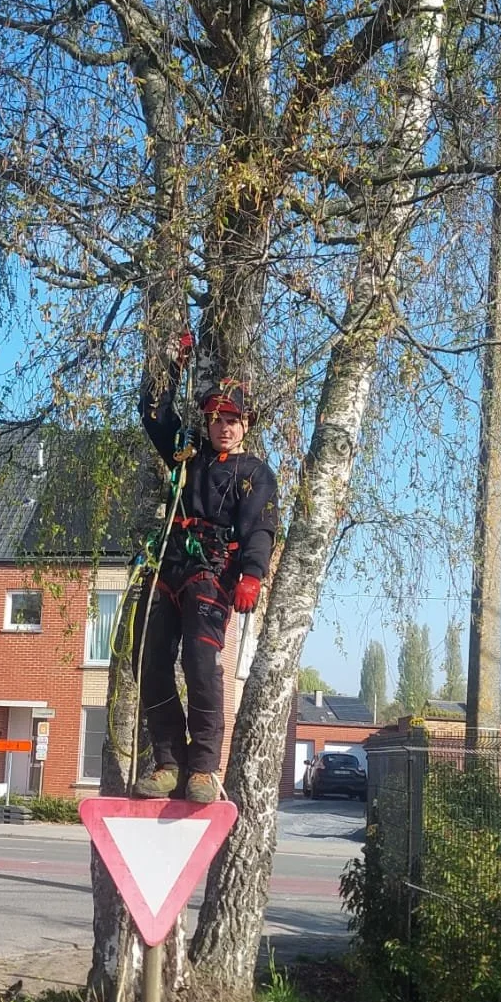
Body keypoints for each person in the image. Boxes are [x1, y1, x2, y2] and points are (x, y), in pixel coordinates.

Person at [134, 343, 279, 803]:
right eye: (217, 418)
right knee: (148, 659)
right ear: (207, 421)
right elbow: (154, 413)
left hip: (212, 574)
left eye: (232, 419)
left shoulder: (253, 473)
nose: (224, 426)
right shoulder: (186, 454)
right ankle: (169, 762)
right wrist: (171, 367)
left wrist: (252, 575)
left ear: (246, 425)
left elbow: (260, 528)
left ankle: (202, 768)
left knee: (199, 663)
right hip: (167, 566)